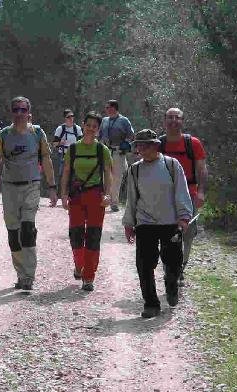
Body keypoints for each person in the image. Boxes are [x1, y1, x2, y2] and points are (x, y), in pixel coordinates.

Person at [122, 130, 192, 318]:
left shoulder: (171, 165)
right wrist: (129, 223)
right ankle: (151, 304)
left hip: (170, 223)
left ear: (155, 145)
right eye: (138, 145)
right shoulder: (135, 169)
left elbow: (181, 191)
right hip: (145, 223)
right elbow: (132, 198)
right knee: (144, 265)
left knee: (173, 263)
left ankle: (171, 287)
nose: (140, 149)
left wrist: (184, 217)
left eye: (144, 145)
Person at [0, 96, 57, 290]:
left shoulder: (37, 133)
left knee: (28, 229)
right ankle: (20, 273)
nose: (19, 114)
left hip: (31, 185)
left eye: (22, 110)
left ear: (29, 113)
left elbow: (46, 159)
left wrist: (52, 188)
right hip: (9, 187)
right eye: (15, 110)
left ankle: (28, 275)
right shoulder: (4, 135)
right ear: (12, 113)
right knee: (13, 233)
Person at [60, 111, 112, 291]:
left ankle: (89, 277)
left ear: (98, 129)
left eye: (94, 127)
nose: (91, 129)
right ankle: (79, 265)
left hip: (96, 197)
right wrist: (63, 195)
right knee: (76, 235)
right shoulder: (73, 149)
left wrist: (108, 195)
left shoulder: (102, 150)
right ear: (83, 125)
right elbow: (66, 172)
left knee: (93, 236)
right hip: (76, 196)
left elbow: (108, 173)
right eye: (88, 125)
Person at [161, 107, 208, 285]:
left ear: (182, 121)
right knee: (165, 233)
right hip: (164, 195)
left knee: (187, 234)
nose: (174, 121)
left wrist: (201, 192)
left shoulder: (193, 143)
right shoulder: (159, 144)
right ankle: (169, 269)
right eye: (170, 118)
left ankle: (180, 269)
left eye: (177, 117)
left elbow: (202, 169)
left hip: (190, 193)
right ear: (164, 121)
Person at [99, 99, 135, 212]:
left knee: (116, 178)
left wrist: (125, 146)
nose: (106, 109)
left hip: (118, 152)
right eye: (106, 107)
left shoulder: (124, 120)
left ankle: (114, 202)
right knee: (105, 177)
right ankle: (105, 200)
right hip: (105, 151)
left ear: (114, 108)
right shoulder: (104, 120)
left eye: (108, 107)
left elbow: (131, 136)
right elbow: (99, 135)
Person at [52, 109, 83, 191]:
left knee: (75, 176)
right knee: (62, 175)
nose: (71, 118)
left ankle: (72, 196)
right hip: (63, 155)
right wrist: (60, 143)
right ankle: (59, 195)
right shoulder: (60, 129)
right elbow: (54, 144)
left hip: (75, 156)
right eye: (68, 117)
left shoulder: (77, 129)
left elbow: (81, 143)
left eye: (72, 116)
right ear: (65, 118)